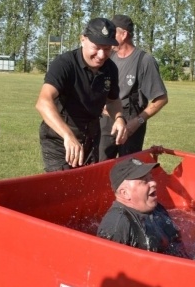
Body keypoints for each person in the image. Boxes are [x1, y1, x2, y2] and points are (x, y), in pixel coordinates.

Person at [36, 18, 128, 172]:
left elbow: (112, 101)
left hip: (91, 138)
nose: (101, 55)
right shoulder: (64, 64)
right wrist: (68, 135)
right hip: (59, 139)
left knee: (87, 185)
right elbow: (43, 102)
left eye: (107, 49)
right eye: (96, 47)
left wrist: (118, 118)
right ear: (83, 39)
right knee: (64, 187)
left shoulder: (110, 68)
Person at [99, 15, 168, 161]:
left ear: (123, 35)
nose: (109, 37)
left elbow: (161, 99)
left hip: (131, 123)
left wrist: (138, 122)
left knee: (129, 170)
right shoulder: (106, 57)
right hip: (106, 122)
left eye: (113, 32)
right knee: (100, 168)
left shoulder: (145, 61)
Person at [97, 158, 189, 258]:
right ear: (125, 193)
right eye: (145, 181)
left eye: (151, 177)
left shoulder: (157, 208)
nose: (154, 183)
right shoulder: (117, 225)